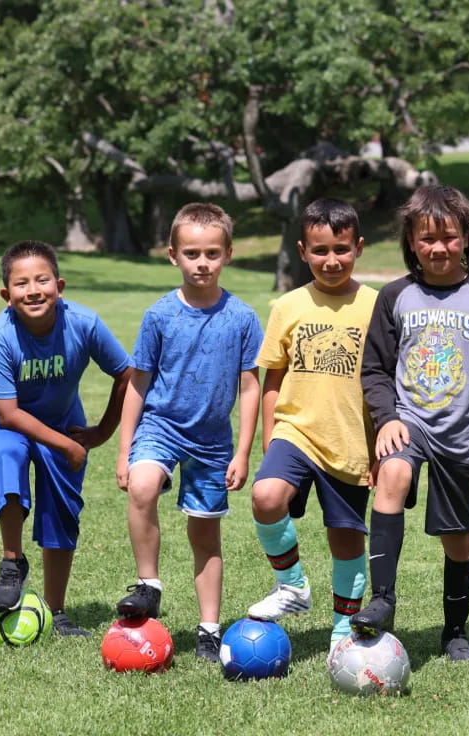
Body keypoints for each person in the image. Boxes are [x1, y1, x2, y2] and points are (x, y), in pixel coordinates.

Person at [350, 184, 469, 662]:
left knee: (457, 540)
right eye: (426, 239)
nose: (438, 248)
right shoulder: (395, 295)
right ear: (411, 242)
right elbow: (375, 369)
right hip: (409, 424)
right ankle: (382, 600)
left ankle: (456, 630)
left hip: (460, 438)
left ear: (465, 237)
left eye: (448, 237)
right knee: (393, 473)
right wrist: (385, 419)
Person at [114, 203, 262, 662]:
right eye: (192, 253)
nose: (202, 263)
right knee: (142, 485)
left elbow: (250, 386)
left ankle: (209, 630)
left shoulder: (242, 317)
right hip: (162, 425)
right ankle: (148, 585)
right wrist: (124, 451)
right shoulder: (159, 315)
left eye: (212, 253)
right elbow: (138, 383)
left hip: (213, 439)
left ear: (228, 254)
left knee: (204, 535)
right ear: (173, 255)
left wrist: (242, 453)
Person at [246, 198, 378, 654]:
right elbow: (273, 376)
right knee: (266, 496)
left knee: (345, 538)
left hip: (351, 443)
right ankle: (293, 587)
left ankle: (344, 628)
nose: (332, 260)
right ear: (303, 251)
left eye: (341, 248)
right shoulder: (288, 306)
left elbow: (383, 385)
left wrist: (382, 447)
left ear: (358, 247)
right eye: (320, 250)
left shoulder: (375, 306)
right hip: (295, 432)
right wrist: (270, 435)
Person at [0, 240, 132, 636]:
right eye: (21, 283)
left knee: (62, 510)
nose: (33, 290)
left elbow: (127, 375)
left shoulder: (84, 323)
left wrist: (100, 432)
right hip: (12, 421)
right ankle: (12, 563)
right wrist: (68, 445)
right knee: (10, 457)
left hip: (64, 422)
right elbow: (6, 413)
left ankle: (57, 610)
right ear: (6, 295)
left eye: (42, 280)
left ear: (59, 285)